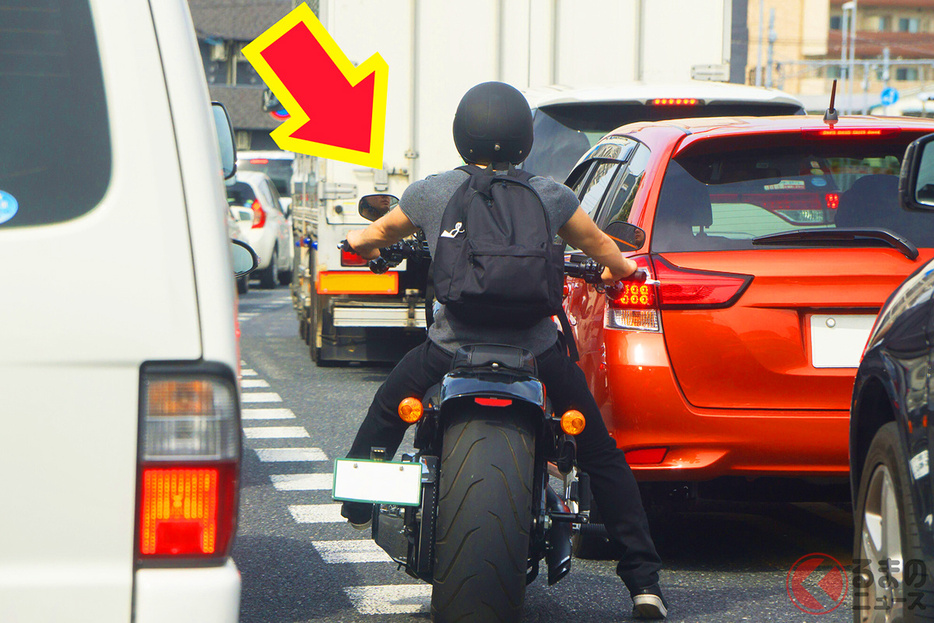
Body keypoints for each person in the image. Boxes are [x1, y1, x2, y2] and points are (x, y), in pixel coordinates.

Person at [340, 81, 667, 620]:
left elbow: (372, 235)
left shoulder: (431, 192)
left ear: (462, 134)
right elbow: (604, 250)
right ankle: (643, 584)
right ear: (524, 138)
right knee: (601, 454)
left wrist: (367, 246)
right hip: (536, 352)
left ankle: (358, 500)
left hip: (451, 349)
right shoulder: (552, 195)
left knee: (387, 406)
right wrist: (620, 270)